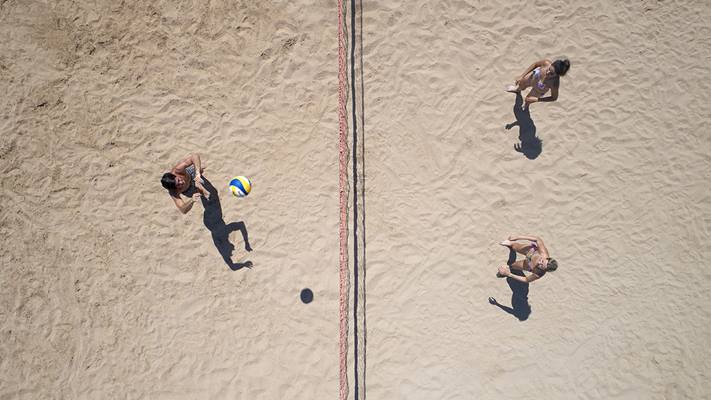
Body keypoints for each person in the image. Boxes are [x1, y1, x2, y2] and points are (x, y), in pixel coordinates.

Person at [506, 58, 570, 107]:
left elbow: (554, 98)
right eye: (549, 69)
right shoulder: (546, 63)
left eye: (551, 73)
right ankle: (517, 90)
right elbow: (535, 65)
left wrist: (537, 99)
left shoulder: (555, 83)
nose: (548, 73)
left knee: (528, 100)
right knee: (521, 84)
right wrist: (522, 76)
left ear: (557, 75)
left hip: (538, 90)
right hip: (533, 77)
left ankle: (526, 106)